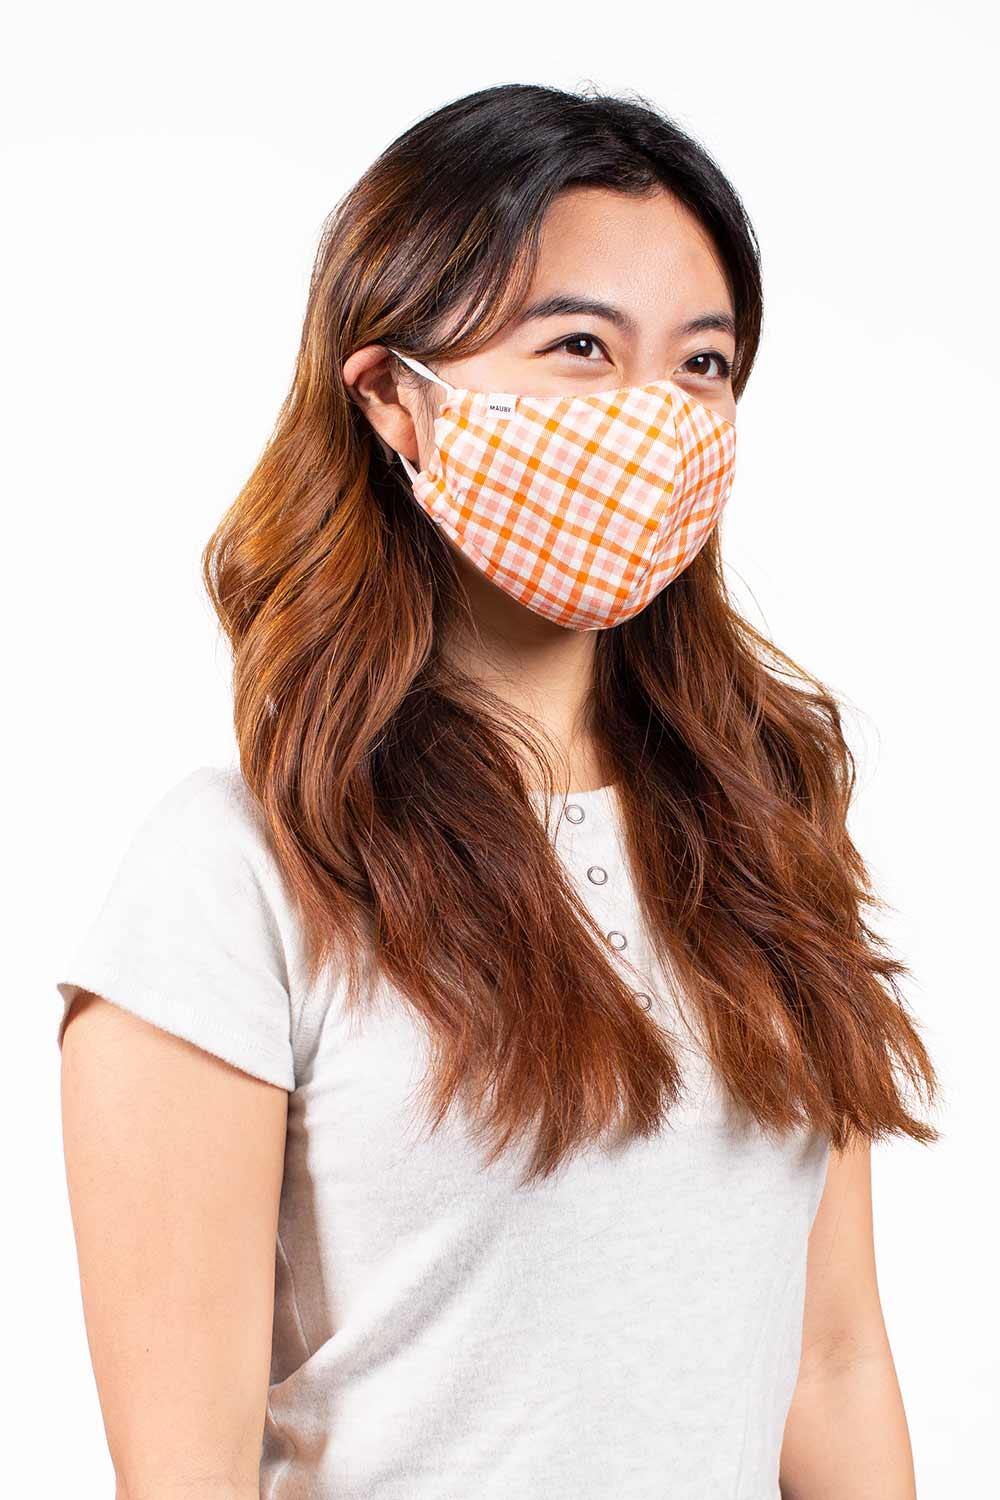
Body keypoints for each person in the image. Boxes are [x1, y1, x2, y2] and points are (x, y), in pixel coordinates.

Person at [55, 82, 938, 1500]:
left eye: (703, 362)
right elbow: (184, 1475)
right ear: (396, 398)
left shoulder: (764, 836)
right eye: (581, 345)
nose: (655, 415)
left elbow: (831, 1365)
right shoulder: (236, 874)